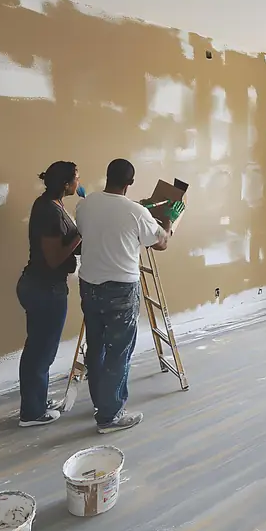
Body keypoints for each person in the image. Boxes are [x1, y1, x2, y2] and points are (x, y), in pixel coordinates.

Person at [75, 158, 184, 434]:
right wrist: (169, 219)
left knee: (96, 347)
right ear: (130, 182)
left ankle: (101, 403)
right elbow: (161, 242)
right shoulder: (137, 212)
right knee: (118, 351)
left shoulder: (85, 205)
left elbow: (103, 224)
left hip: (89, 286)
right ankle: (110, 416)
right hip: (120, 290)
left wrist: (140, 211)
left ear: (107, 176)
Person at [17, 161, 82, 427]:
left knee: (38, 348)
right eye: (76, 178)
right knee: (41, 352)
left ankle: (36, 403)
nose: (79, 182)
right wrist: (80, 235)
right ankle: (31, 414)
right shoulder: (49, 211)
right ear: (66, 184)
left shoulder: (52, 204)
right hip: (44, 289)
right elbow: (54, 259)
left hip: (40, 286)